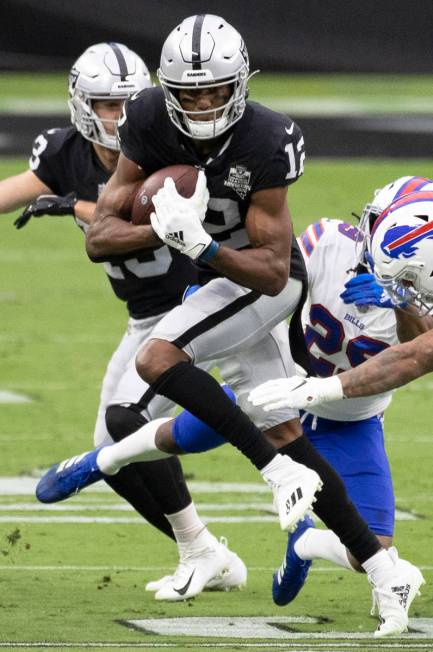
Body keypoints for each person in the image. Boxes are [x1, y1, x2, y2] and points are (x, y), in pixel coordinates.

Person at [36, 15, 423, 635]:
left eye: (217, 90)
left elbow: (274, 273)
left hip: (261, 282)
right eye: (190, 93)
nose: (205, 103)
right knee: (281, 431)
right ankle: (383, 569)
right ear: (166, 90)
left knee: (157, 359)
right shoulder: (149, 121)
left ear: (241, 84)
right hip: (214, 281)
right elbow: (100, 238)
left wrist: (201, 245)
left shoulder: (268, 138)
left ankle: (263, 482)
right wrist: (162, 229)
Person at [2, 41, 246, 600]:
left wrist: (73, 206)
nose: (118, 115)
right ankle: (207, 551)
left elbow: (168, 212)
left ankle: (202, 550)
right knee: (111, 456)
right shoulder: (65, 153)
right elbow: (13, 192)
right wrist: (68, 199)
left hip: (192, 305)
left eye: (126, 103)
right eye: (107, 105)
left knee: (122, 426)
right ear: (82, 105)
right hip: (141, 317)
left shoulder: (161, 146)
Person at [268, 177, 432, 609]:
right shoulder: (327, 240)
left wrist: (403, 300)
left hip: (350, 418)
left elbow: (423, 351)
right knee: (177, 432)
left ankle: (306, 543)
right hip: (278, 392)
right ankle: (93, 464)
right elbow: (272, 284)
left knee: (372, 547)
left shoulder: (421, 281)